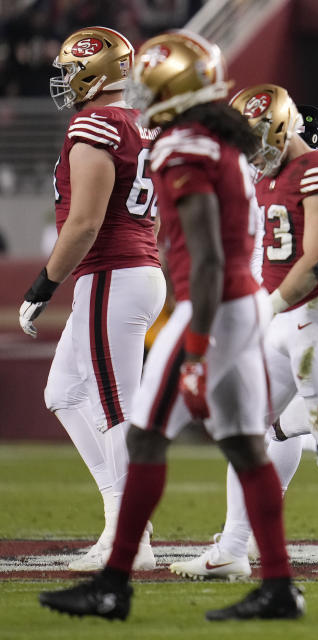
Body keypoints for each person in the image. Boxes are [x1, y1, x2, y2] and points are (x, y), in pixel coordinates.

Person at [38, 30, 303, 622]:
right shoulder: (223, 141)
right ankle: (280, 585)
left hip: (211, 306)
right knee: (243, 445)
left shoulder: (185, 147)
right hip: (241, 304)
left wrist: (198, 347)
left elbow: (207, 256)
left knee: (146, 434)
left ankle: (116, 579)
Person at [169, 93, 318, 582]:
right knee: (248, 427)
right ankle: (232, 547)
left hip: (312, 314)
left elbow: (317, 259)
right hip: (275, 318)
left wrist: (265, 306)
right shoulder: (262, 176)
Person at [18, 26, 165, 572]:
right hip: (129, 272)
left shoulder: (95, 122)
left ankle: (132, 540)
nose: (62, 81)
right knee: (63, 392)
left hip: (112, 274)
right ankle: (118, 512)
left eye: (68, 70)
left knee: (114, 406)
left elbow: (84, 223)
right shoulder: (135, 124)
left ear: (92, 72)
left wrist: (43, 284)